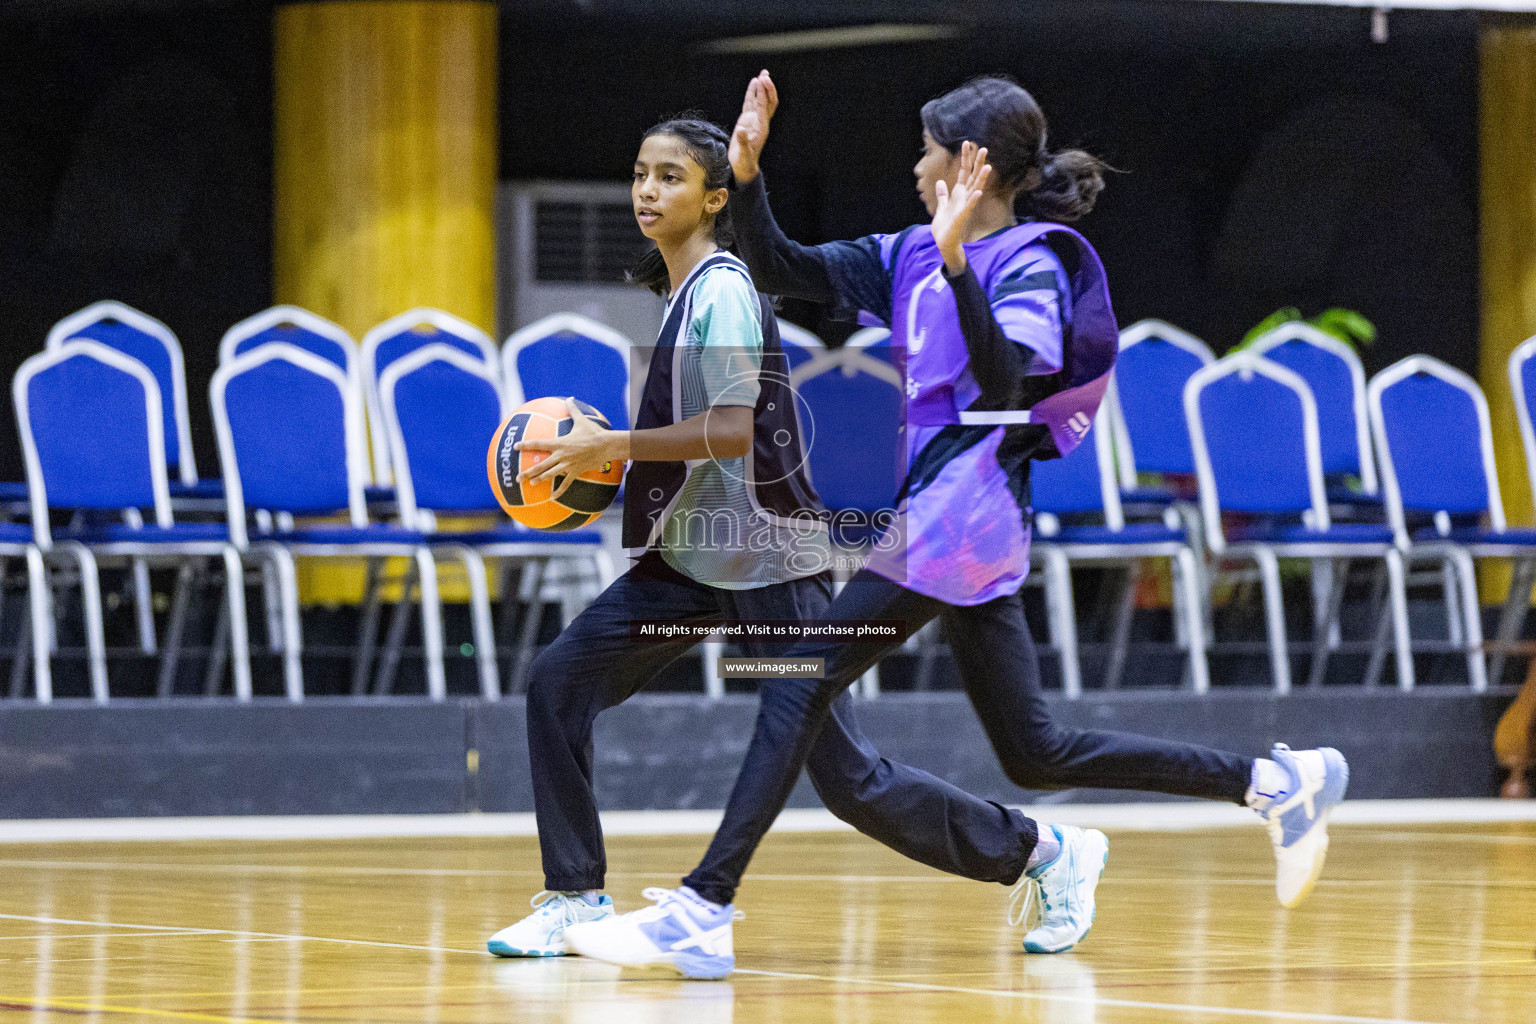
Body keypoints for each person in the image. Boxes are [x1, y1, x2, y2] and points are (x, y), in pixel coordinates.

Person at [564, 74, 1350, 980]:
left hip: (960, 515)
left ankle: (703, 908)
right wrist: (748, 176)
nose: (915, 162)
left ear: (969, 164)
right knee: (1037, 749)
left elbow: (1005, 382)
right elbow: (785, 267)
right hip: (959, 524)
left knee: (793, 679)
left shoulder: (1031, 263)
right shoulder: (908, 252)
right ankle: (1273, 783)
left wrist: (959, 266)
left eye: (929, 146)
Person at [485, 114, 1113, 962]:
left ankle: (1045, 851)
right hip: (690, 559)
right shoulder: (680, 292)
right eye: (640, 173)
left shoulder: (726, 288)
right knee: (557, 683)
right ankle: (575, 898)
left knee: (850, 782)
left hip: (767, 560)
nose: (645, 189)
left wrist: (612, 449)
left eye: (669, 177)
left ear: (714, 199)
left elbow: (736, 429)